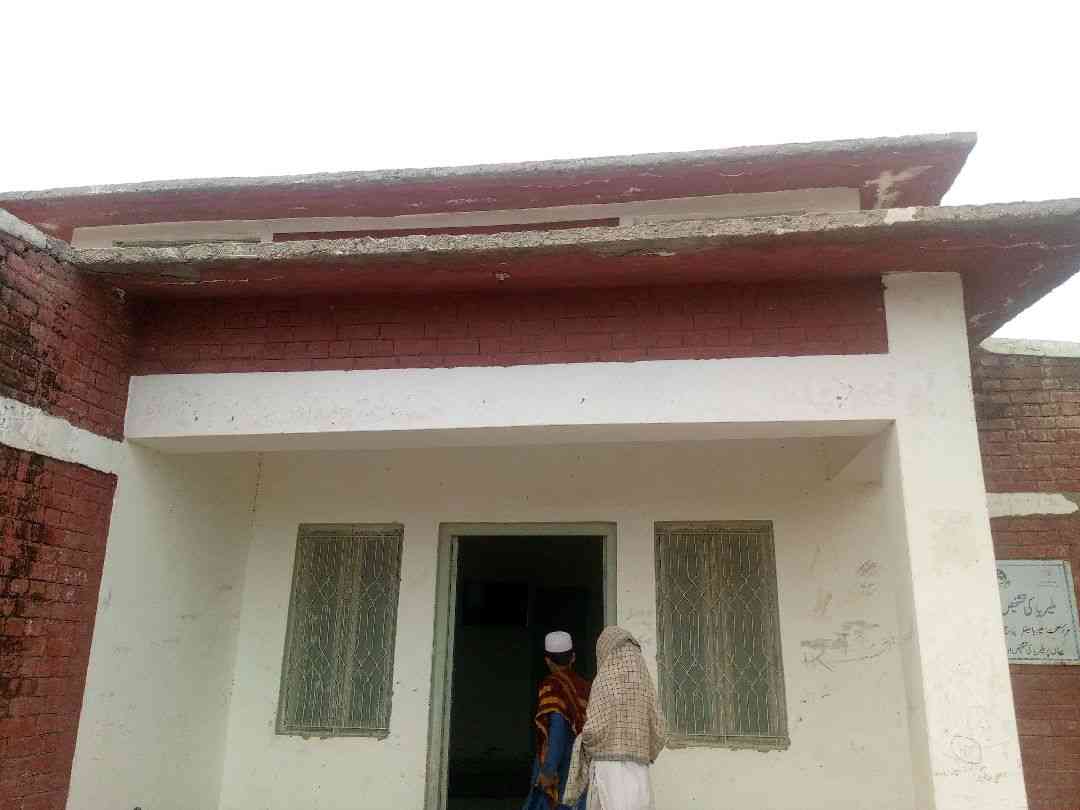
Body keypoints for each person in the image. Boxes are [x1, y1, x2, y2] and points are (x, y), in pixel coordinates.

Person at [563, 626, 667, 810]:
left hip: (609, 770)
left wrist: (583, 742)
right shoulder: (645, 685)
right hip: (639, 770)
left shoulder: (604, 682)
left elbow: (594, 731)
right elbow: (659, 730)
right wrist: (642, 748)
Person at [523, 630, 592, 810]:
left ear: (547, 660)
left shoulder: (552, 686)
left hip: (560, 771)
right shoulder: (586, 687)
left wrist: (548, 770)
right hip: (582, 768)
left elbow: (557, 730)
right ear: (573, 657)